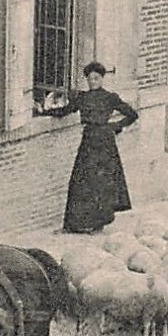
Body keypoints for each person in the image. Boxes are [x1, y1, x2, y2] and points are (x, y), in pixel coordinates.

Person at [39, 61, 139, 234]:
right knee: (81, 181)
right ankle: (74, 225)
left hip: (105, 142)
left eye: (96, 78)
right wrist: (44, 112)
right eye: (90, 78)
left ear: (102, 79)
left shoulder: (110, 97)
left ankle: (98, 224)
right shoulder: (82, 98)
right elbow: (65, 111)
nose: (93, 81)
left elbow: (132, 114)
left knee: (101, 183)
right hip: (88, 141)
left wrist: (115, 126)